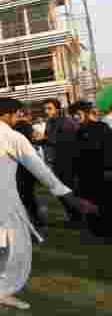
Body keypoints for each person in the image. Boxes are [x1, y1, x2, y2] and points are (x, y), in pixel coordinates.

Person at [0, 98, 95, 310]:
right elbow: (40, 170)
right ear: (8, 115)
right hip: (4, 199)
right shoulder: (11, 136)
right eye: (17, 115)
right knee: (17, 247)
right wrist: (71, 199)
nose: (18, 119)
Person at [68, 101, 112, 238]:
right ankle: (98, 231)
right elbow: (76, 156)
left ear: (86, 113)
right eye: (73, 115)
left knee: (105, 203)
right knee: (89, 204)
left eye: (77, 114)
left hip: (102, 174)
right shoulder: (78, 131)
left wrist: (108, 169)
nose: (75, 117)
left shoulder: (101, 128)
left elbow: (109, 150)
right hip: (85, 176)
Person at [41, 98, 83, 226]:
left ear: (57, 109)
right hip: (56, 161)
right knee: (62, 190)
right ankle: (74, 217)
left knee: (65, 190)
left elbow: (62, 141)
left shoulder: (63, 121)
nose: (46, 111)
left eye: (49, 108)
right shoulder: (51, 121)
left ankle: (77, 217)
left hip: (65, 161)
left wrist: (43, 139)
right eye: (45, 108)